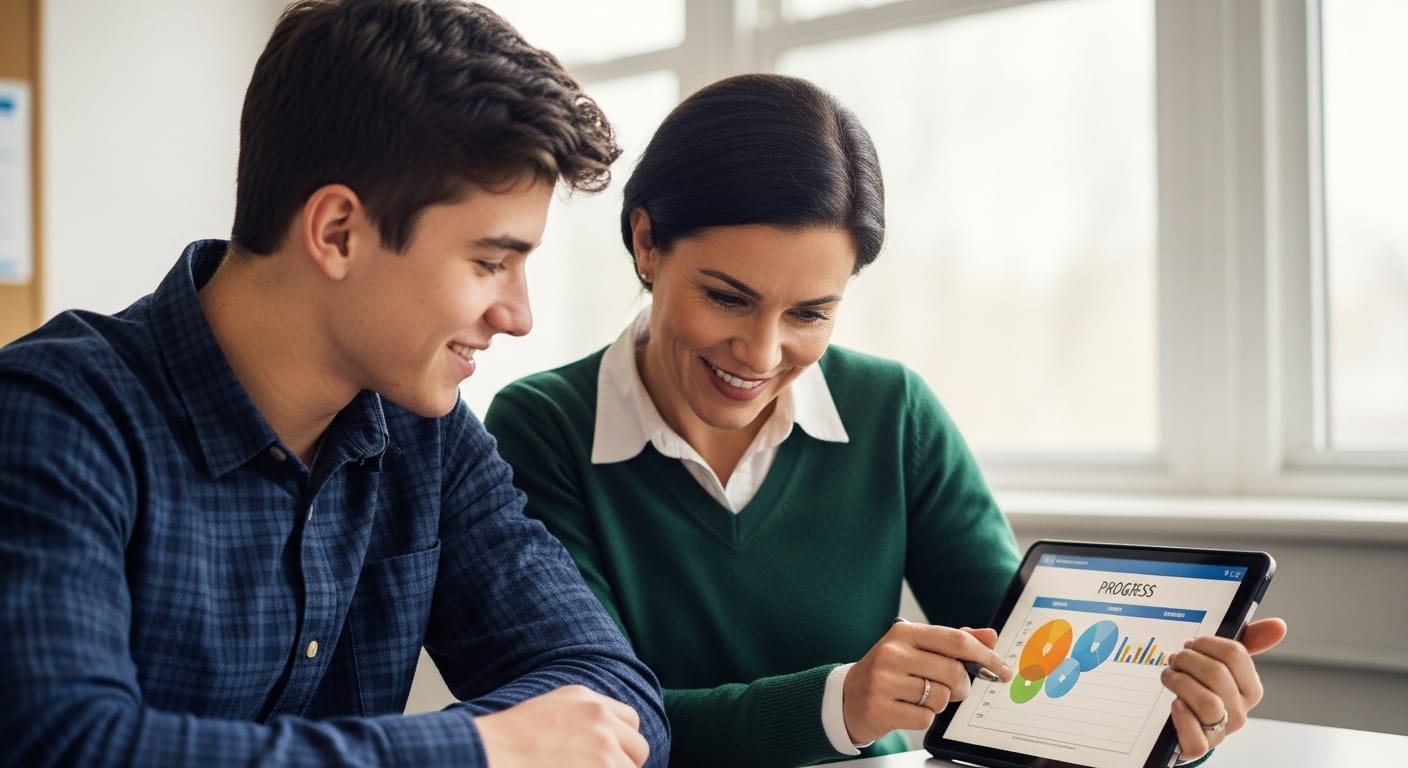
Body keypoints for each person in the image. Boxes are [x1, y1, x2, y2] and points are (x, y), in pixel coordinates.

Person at [483, 73, 1287, 768]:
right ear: (647, 241)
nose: (762, 352)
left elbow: (1018, 684)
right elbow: (595, 728)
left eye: (810, 312)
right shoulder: (544, 426)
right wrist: (840, 704)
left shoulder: (893, 411)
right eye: (728, 297)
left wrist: (1174, 721)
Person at [0, 1, 670, 766]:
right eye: (490, 262)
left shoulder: (430, 430)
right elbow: (60, 745)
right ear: (337, 233)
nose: (518, 315)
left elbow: (617, 695)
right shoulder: (52, 418)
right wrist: (473, 751)